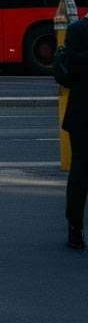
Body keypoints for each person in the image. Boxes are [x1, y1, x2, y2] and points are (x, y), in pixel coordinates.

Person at [62, 15, 88, 249]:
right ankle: (75, 227)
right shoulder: (77, 30)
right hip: (83, 115)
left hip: (80, 115)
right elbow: (71, 67)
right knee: (80, 173)